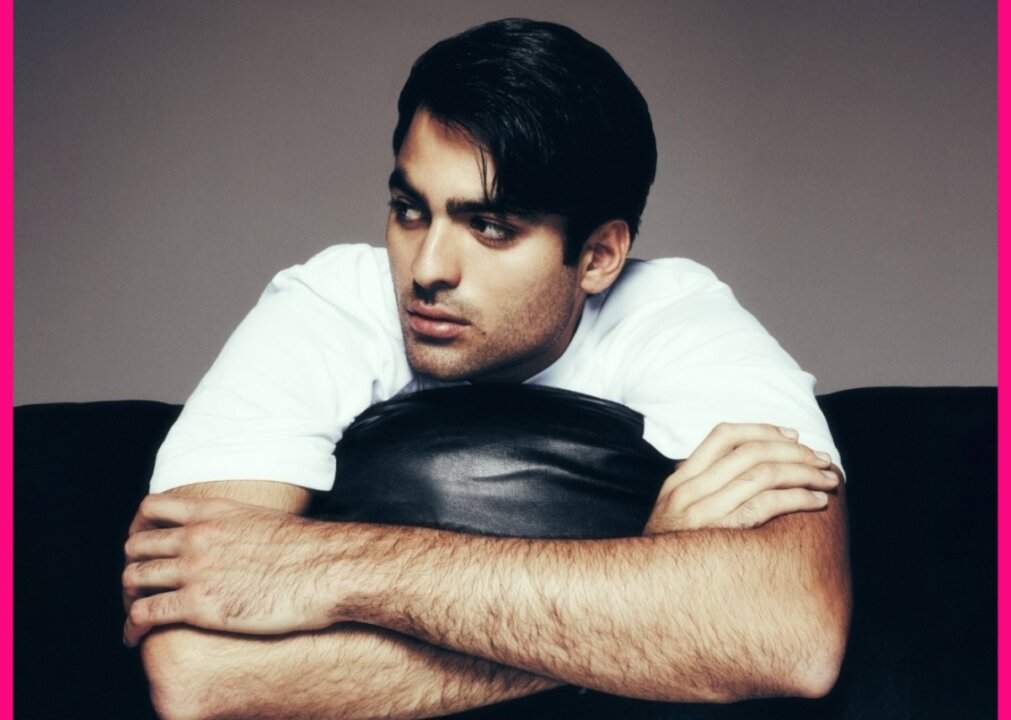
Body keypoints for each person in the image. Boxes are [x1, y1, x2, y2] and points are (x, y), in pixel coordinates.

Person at [122, 18, 850, 720]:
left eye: (491, 227)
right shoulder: (328, 305)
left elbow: (792, 637)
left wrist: (321, 566)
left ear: (599, 256)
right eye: (410, 210)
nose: (427, 269)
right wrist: (648, 602)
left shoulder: (681, 323)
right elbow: (195, 673)